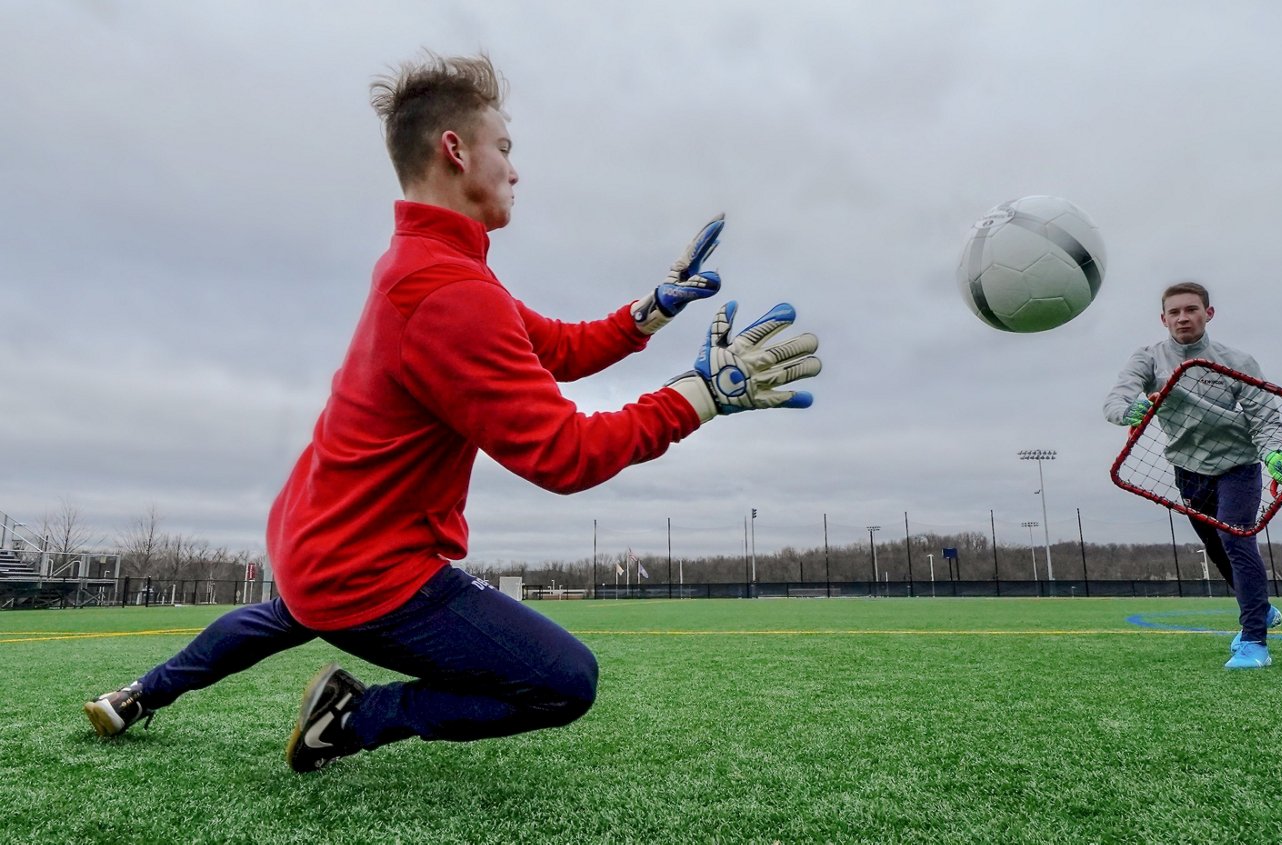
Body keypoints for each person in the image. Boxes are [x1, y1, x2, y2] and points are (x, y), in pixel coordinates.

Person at [83, 51, 822, 771]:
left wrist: (650, 311)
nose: (516, 167)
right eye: (505, 146)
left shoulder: (433, 266)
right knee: (565, 680)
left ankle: (142, 693)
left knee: (286, 612)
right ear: (454, 150)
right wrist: (703, 396)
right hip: (365, 563)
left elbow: (557, 347)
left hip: (322, 532)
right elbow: (566, 455)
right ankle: (353, 719)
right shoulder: (451, 293)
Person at [1104, 281, 1282, 669]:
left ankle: (1255, 641)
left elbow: (1264, 416)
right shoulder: (1149, 359)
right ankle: (1260, 606)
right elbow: (1115, 400)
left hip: (1238, 465)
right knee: (1216, 547)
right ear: (1163, 319)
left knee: (1235, 537)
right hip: (1189, 470)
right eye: (1174, 312)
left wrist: (1274, 452)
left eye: (1191, 309)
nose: (1183, 318)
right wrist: (1130, 411)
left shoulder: (1237, 360)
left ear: (1208, 314)